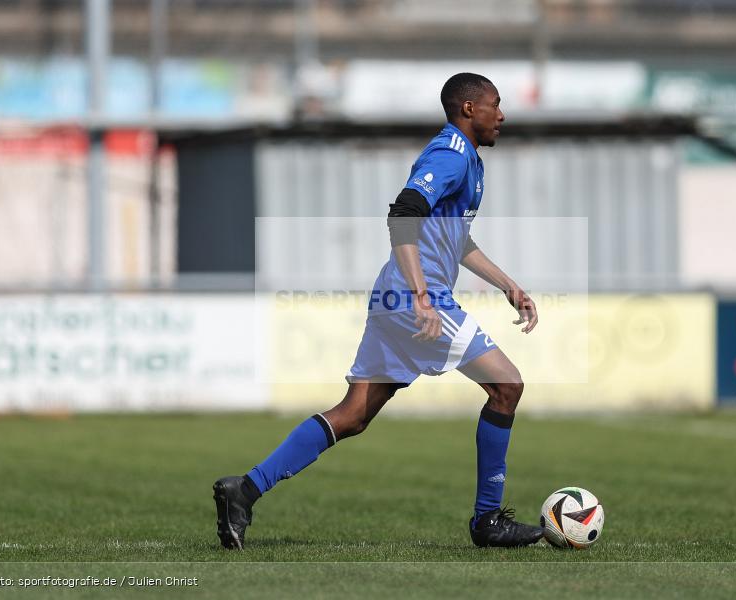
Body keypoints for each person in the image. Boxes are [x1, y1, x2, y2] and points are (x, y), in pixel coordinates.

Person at [213, 73, 542, 549]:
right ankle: (487, 520)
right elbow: (403, 215)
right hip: (416, 299)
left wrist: (507, 284)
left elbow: (456, 240)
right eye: (495, 104)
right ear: (469, 109)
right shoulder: (449, 154)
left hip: (396, 297)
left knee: (352, 415)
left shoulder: (467, 161)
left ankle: (244, 490)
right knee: (507, 386)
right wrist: (424, 297)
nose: (502, 113)